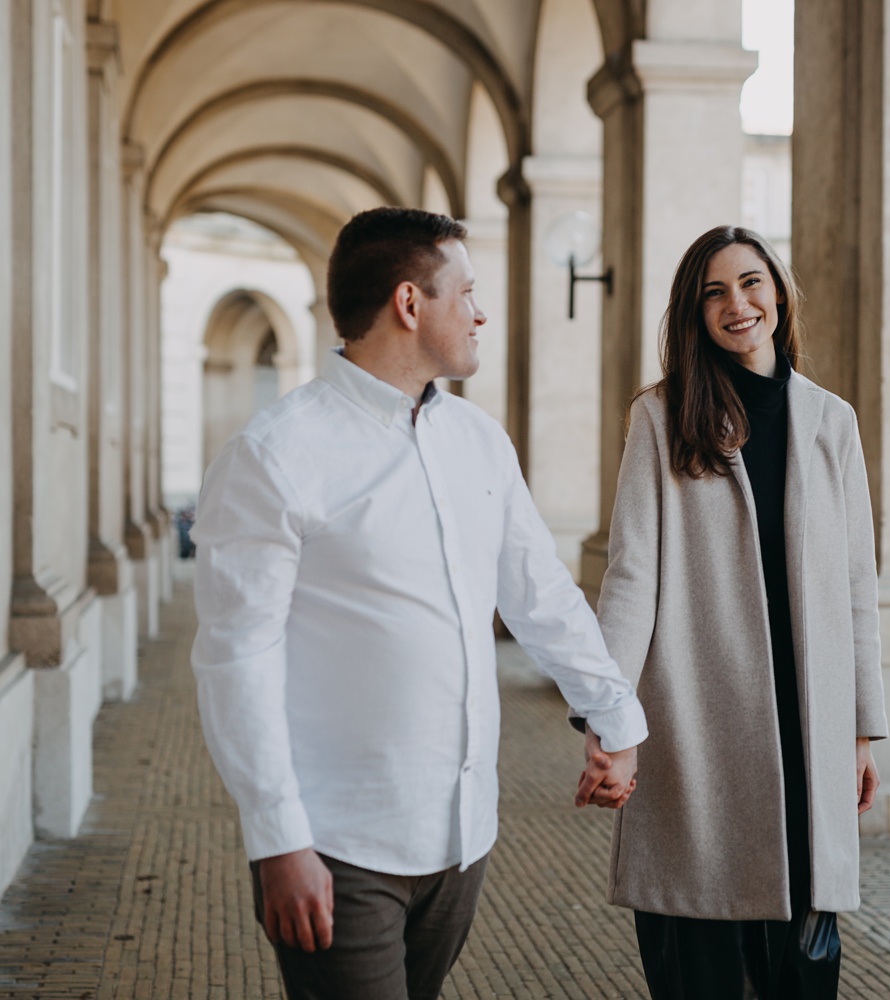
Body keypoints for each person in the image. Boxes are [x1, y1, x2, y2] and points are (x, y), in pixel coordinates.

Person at [190, 207, 647, 1000]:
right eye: (465, 291)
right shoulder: (273, 455)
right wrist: (277, 840)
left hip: (463, 837)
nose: (479, 311)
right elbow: (236, 660)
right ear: (410, 303)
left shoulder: (479, 442)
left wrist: (613, 716)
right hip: (338, 844)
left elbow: (540, 594)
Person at [595, 225, 888, 999]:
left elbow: (858, 584)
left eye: (752, 282)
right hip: (699, 720)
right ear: (694, 313)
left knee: (803, 964)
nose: (737, 304)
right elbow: (631, 576)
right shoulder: (661, 418)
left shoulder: (833, 422)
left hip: (810, 723)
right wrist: (607, 716)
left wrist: (860, 727)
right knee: (701, 955)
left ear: (779, 293)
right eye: (714, 291)